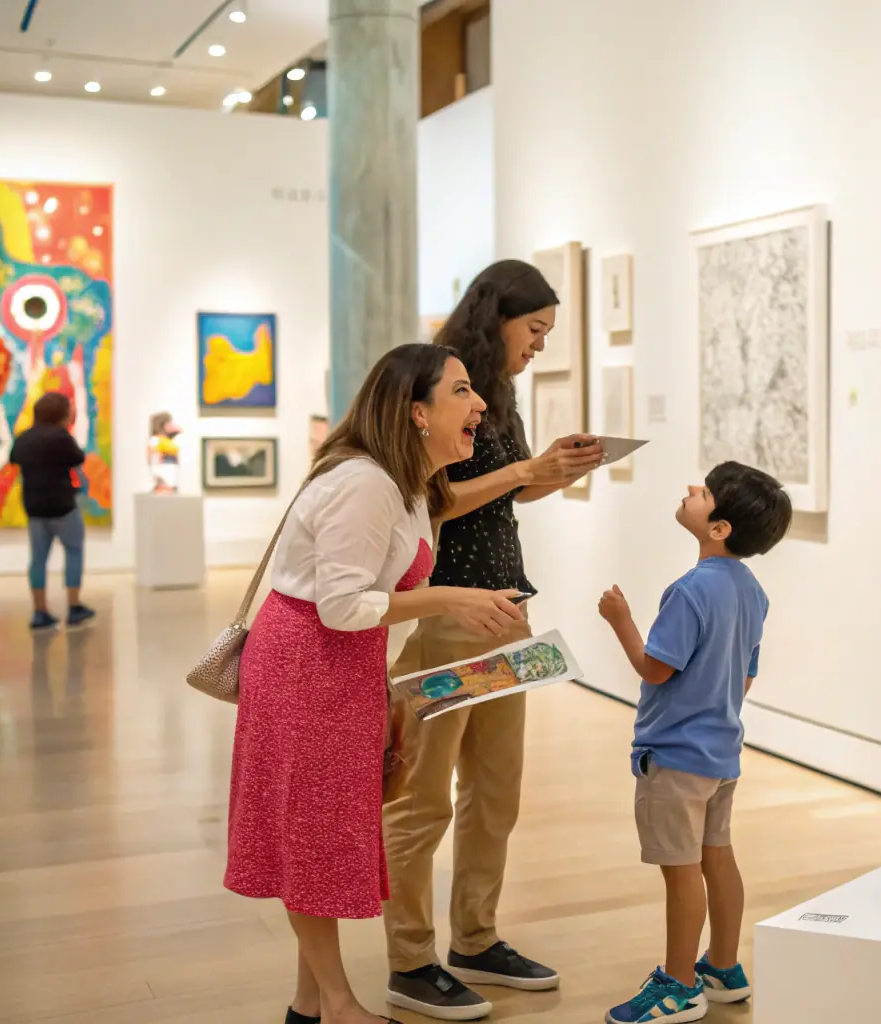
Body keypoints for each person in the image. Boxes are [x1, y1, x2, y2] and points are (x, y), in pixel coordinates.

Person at [224, 344, 527, 1024]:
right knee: (313, 835)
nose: (479, 405)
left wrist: (386, 687)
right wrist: (450, 599)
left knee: (323, 831)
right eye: (461, 391)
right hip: (308, 664)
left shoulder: (406, 485)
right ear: (417, 412)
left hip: (341, 664)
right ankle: (337, 1004)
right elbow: (340, 606)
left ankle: (309, 1004)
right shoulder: (366, 483)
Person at [383, 260, 605, 1020]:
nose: (540, 344)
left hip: (506, 609)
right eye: (534, 329)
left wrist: (554, 471)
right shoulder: (434, 387)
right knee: (422, 801)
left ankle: (475, 939)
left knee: (495, 791)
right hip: (446, 611)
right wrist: (522, 472)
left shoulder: (496, 394)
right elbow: (426, 499)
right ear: (497, 317)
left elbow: (511, 489)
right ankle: (409, 960)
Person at [597, 461, 793, 1024]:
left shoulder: (688, 591)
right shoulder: (752, 591)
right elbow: (746, 676)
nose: (690, 491)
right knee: (718, 856)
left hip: (675, 755)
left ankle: (679, 984)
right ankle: (724, 967)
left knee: (681, 870)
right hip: (721, 753)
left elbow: (655, 669)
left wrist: (619, 618)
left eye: (703, 492)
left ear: (719, 528)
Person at [9, 391, 94, 631]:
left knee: (38, 559)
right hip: (62, 506)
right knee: (74, 552)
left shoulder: (25, 438)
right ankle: (74, 607)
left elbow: (14, 459)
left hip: (35, 508)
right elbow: (78, 458)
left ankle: (40, 611)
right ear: (62, 414)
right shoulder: (61, 437)